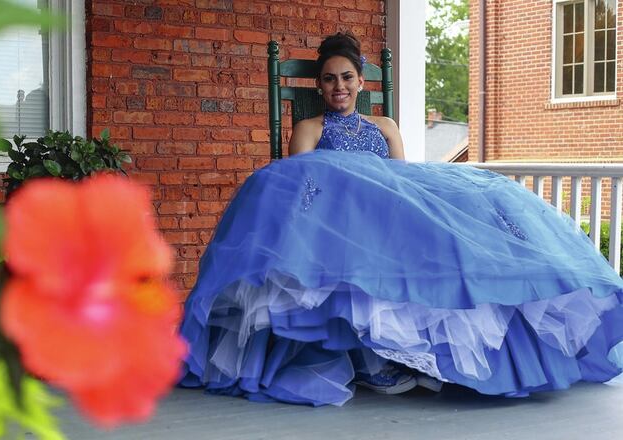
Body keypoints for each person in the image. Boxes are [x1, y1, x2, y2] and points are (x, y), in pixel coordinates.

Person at [178, 32, 623, 406]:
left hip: (389, 214)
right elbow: (302, 184)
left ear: (361, 81)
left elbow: (403, 185)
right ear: (319, 85)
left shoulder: (386, 125)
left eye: (347, 78)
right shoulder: (310, 128)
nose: (339, 87)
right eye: (330, 79)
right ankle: (377, 359)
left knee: (483, 208)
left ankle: (428, 354)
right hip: (340, 220)